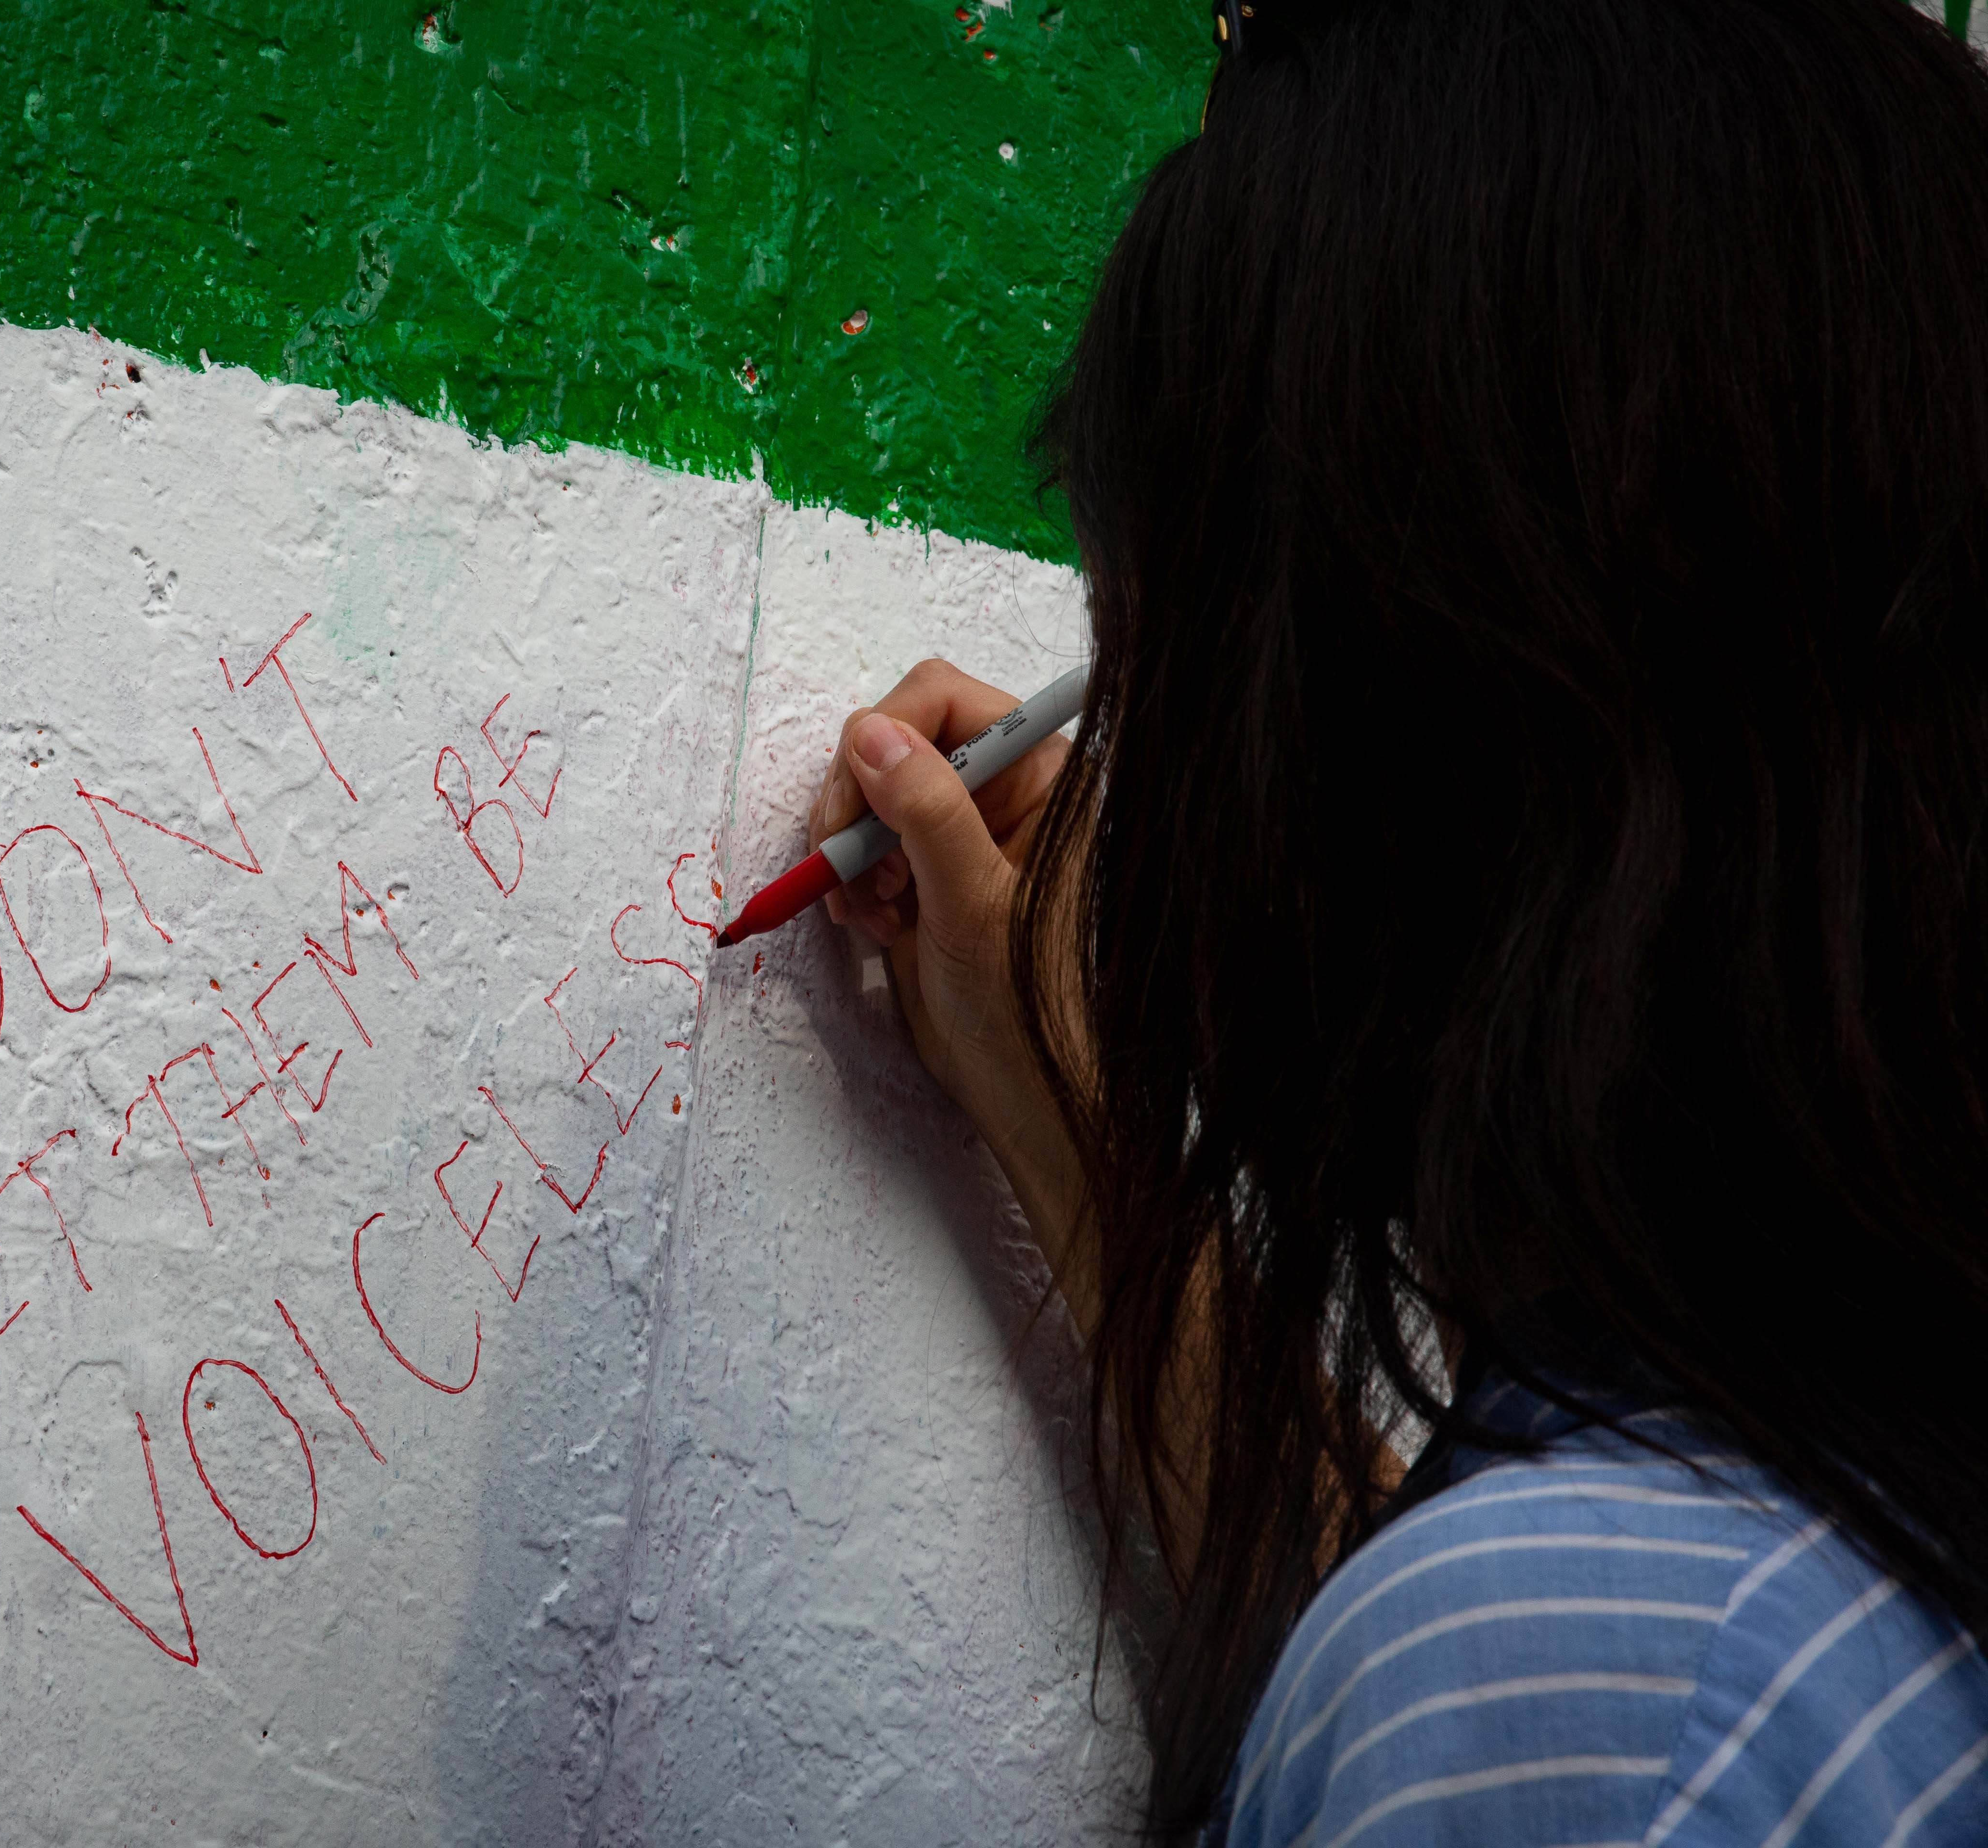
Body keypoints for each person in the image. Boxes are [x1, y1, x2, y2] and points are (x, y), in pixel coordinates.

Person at [803, 0, 1988, 1842]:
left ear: (1428, 726)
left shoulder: (1615, 1686)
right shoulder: (1786, 1560)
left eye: (1183, 641)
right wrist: (1068, 1112)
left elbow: (1573, 1709)